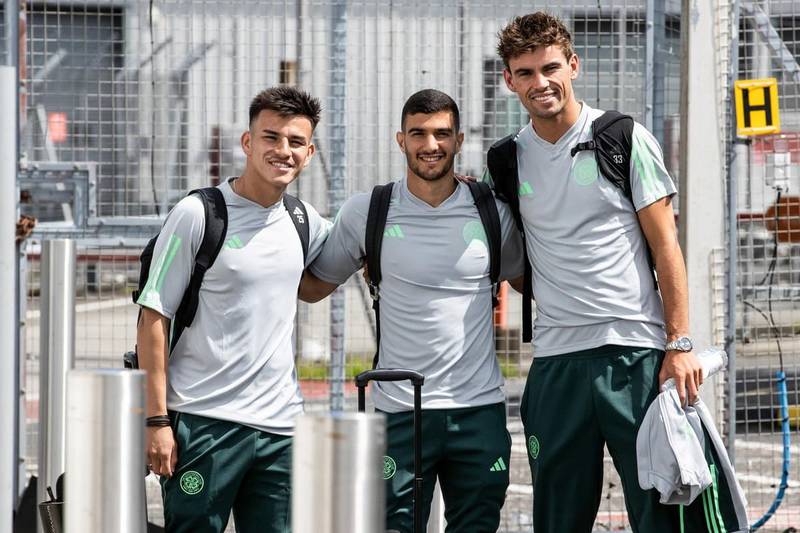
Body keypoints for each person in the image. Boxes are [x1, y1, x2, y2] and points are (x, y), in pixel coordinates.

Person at [493, 12, 726, 533]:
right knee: (557, 519)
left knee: (663, 511)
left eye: (550, 68)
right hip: (555, 361)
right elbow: (519, 261)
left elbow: (666, 247)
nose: (540, 83)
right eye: (525, 73)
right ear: (509, 80)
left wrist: (679, 344)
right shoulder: (505, 160)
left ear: (574, 66)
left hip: (634, 354)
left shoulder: (622, 136)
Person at [300, 89, 523, 533]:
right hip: (400, 409)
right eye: (418, 133)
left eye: (442, 133)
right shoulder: (368, 211)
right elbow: (313, 287)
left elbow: (528, 280)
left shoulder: (493, 214)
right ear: (400, 140)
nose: (430, 144)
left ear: (459, 140)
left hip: (477, 409)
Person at [136, 86, 329, 533]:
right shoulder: (197, 214)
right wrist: (157, 420)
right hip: (205, 423)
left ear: (309, 153)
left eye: (296, 142)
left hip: (281, 429)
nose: (283, 151)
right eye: (271, 137)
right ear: (247, 142)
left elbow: (332, 270)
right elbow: (153, 318)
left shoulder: (304, 220)